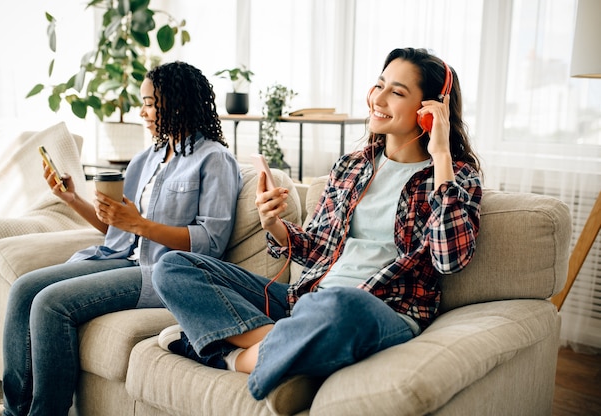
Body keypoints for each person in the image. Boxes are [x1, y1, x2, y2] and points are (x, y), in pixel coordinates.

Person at [152, 47, 483, 403]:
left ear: (431, 110)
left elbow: (449, 259)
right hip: (307, 301)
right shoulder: (351, 166)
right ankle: (286, 345)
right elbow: (317, 248)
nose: (378, 98)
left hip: (375, 309)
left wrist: (442, 154)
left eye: (397, 92)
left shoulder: (456, 175)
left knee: (343, 304)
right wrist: (273, 223)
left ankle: (230, 353)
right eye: (379, 85)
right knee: (172, 267)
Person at [2, 61, 242, 416]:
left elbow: (210, 242)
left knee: (51, 303)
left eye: (148, 103)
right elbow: (117, 230)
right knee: (24, 289)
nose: (141, 112)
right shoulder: (147, 158)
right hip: (121, 257)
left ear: (175, 104)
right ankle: (13, 410)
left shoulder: (215, 159)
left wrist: (141, 224)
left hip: (165, 273)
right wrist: (73, 200)